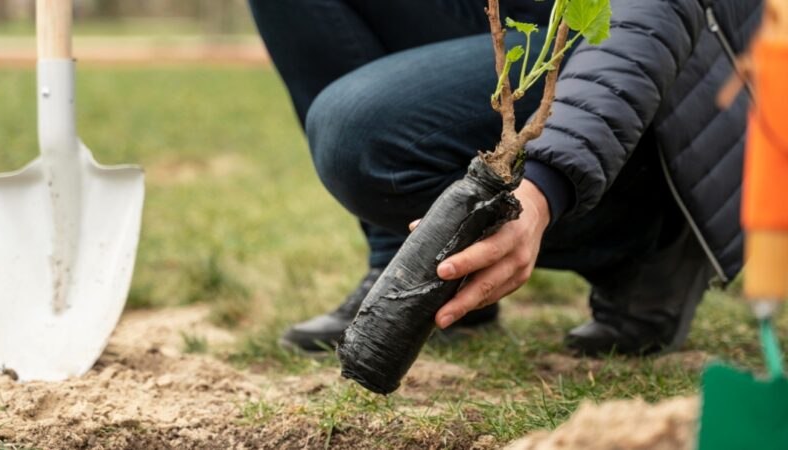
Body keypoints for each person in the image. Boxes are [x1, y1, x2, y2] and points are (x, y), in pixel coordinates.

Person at [247, 0, 762, 356]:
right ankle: (415, 270)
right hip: (521, 19)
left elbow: (644, 22)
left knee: (356, 132)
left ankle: (650, 243)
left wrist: (544, 186)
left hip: (658, 53)